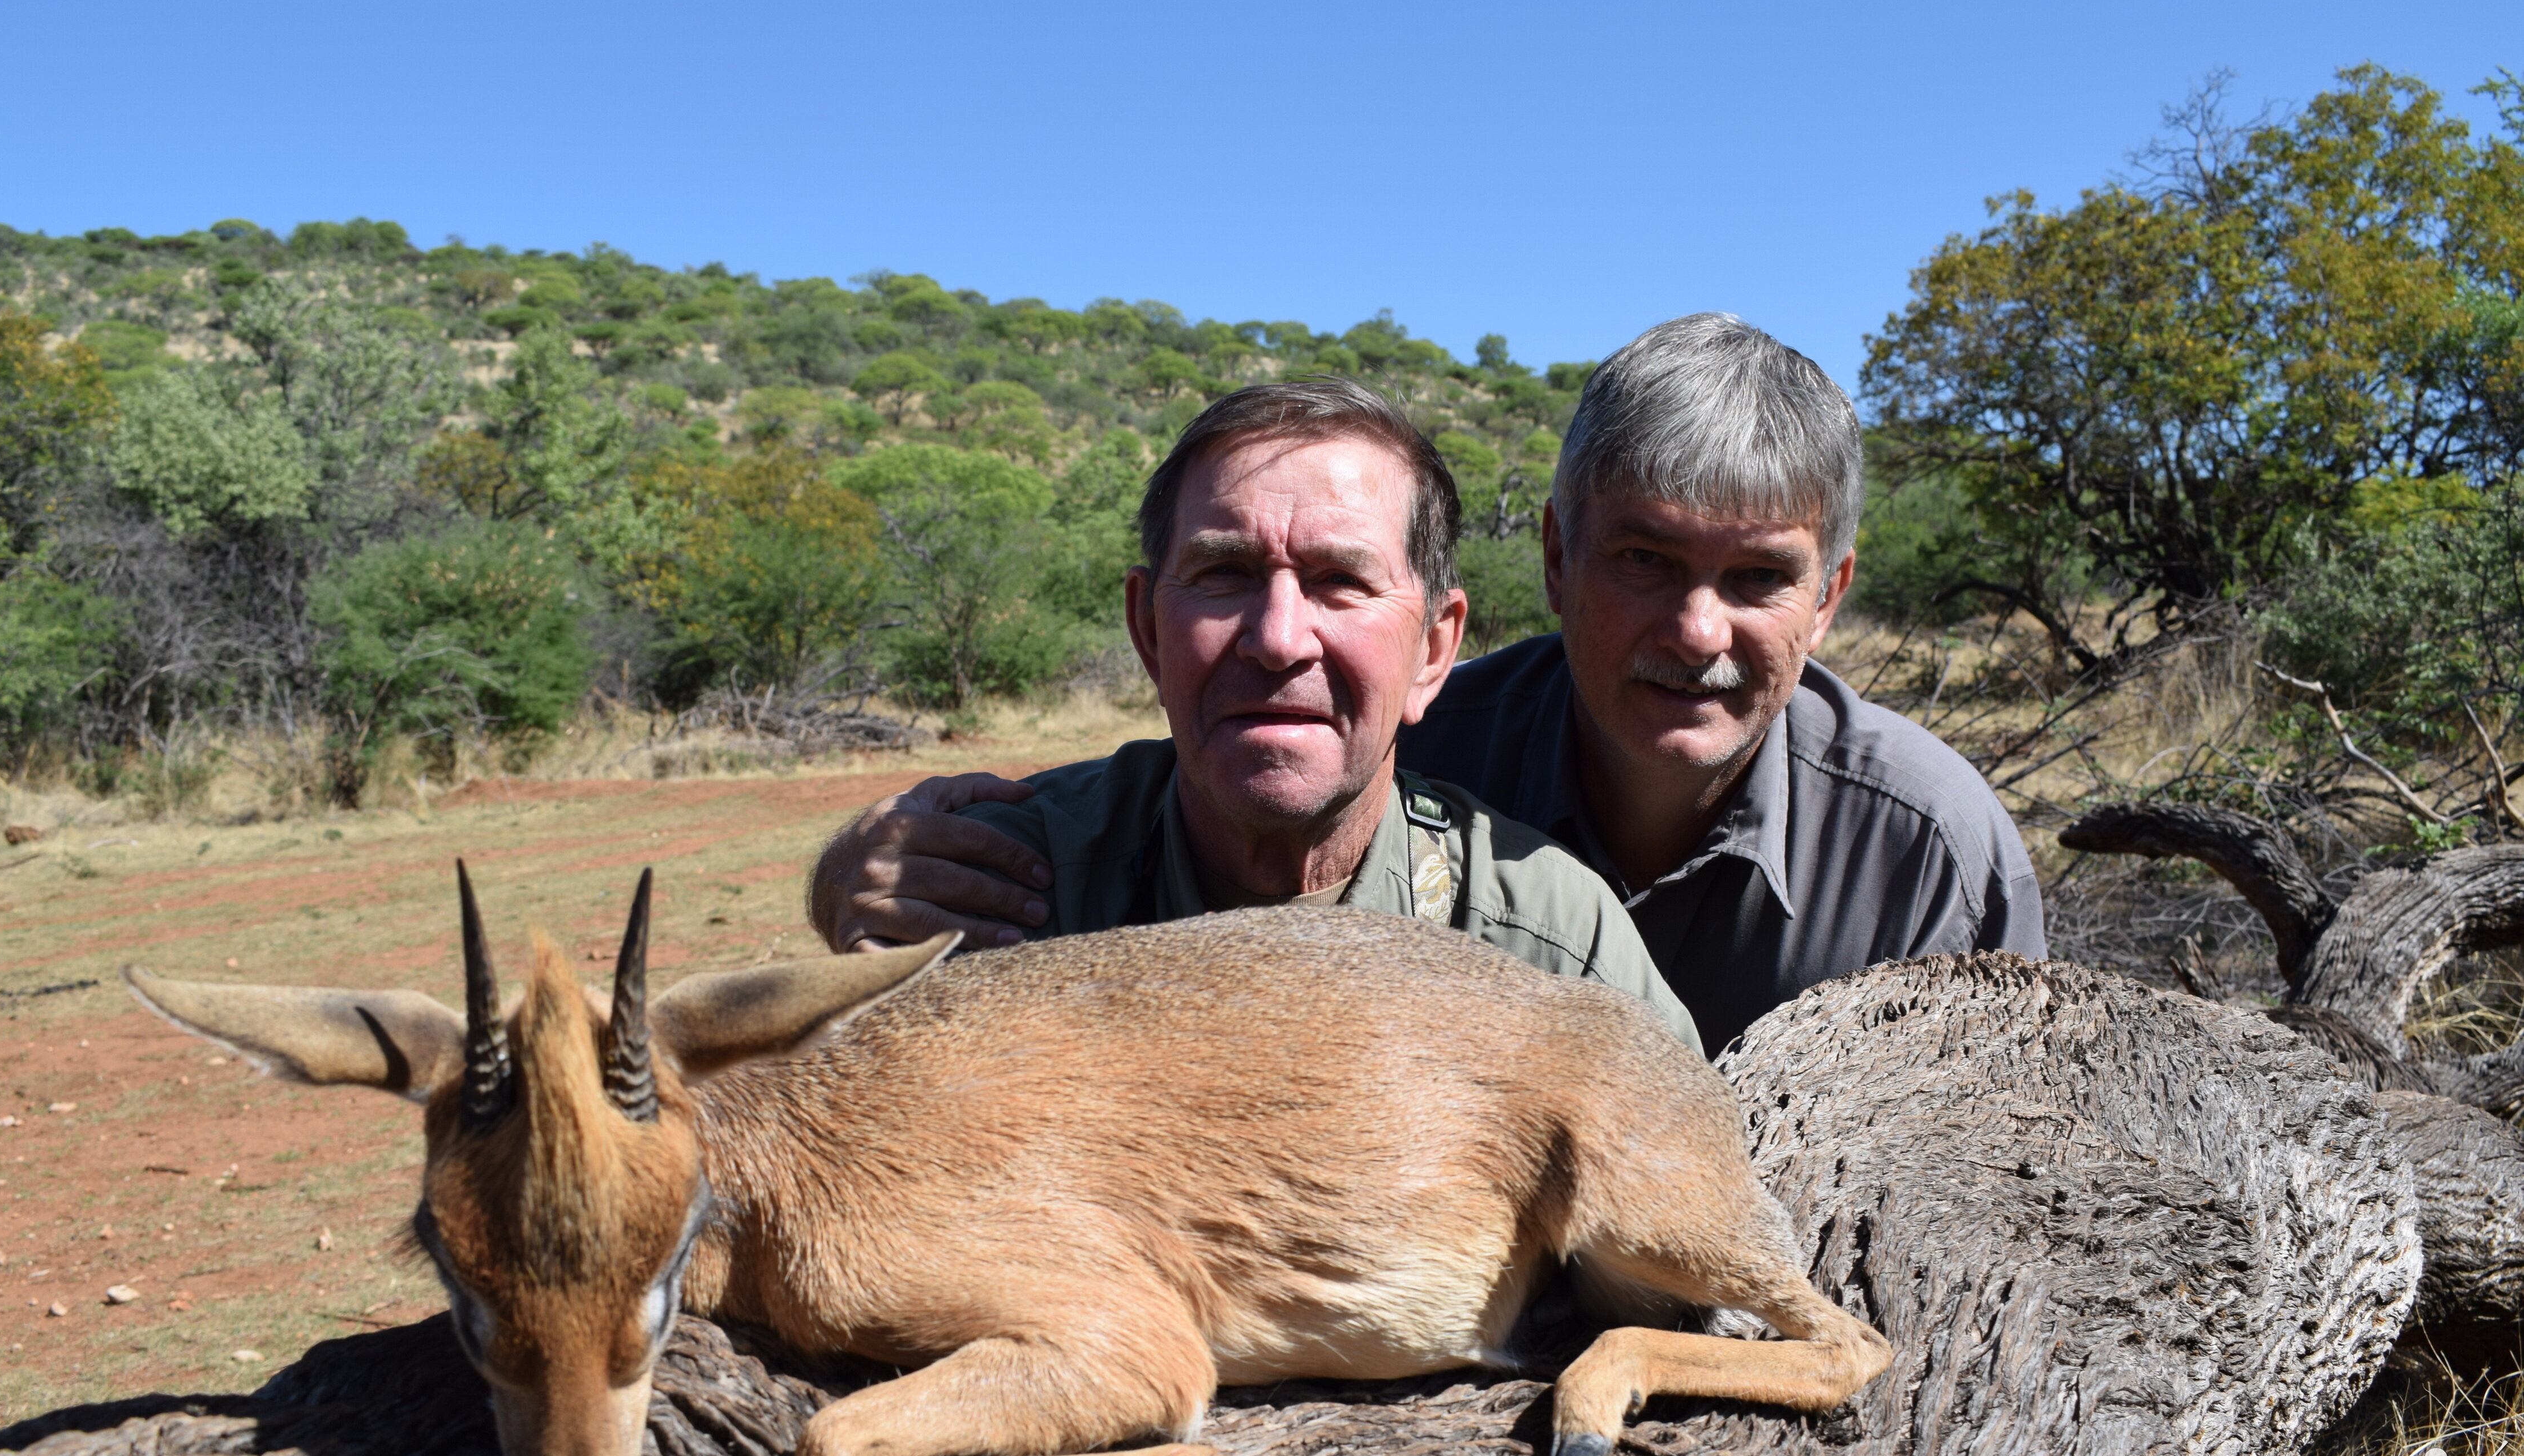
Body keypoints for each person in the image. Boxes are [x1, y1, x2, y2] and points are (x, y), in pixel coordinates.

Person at [809, 377, 1701, 1051]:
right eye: (1224, 575)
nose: (1277, 640)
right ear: (1146, 631)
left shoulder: (1545, 939)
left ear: (1434, 648)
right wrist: (844, 891)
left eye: (1339, 582)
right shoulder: (1007, 889)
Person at [1396, 314, 2044, 1053]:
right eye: (1644, 559)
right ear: (1556, 557)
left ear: (1828, 596)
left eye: (1760, 577)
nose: (1697, 632)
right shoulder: (1409, 756)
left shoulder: (1929, 857)